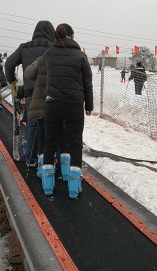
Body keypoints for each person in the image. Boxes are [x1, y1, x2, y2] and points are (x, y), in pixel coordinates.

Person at [41, 23, 93, 199]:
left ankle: (47, 185)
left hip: (52, 103)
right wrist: (89, 106)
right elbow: (87, 82)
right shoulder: (80, 56)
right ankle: (73, 186)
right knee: (75, 143)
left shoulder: (48, 54)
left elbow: (46, 76)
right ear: (71, 35)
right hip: (74, 105)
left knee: (50, 142)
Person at [5, 20, 55, 167]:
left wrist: (12, 79)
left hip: (31, 93)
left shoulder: (24, 47)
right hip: (51, 92)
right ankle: (49, 158)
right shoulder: (53, 48)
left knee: (33, 123)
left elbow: (9, 64)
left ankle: (31, 158)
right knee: (51, 125)